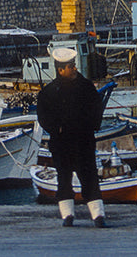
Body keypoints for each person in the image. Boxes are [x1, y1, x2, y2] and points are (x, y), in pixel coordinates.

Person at [35, 47, 106, 227]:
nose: (75, 68)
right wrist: (55, 129)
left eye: (73, 65)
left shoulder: (86, 87)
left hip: (84, 141)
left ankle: (98, 216)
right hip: (62, 143)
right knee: (64, 178)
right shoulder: (49, 92)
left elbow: (97, 109)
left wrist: (91, 126)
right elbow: (43, 116)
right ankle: (67, 215)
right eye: (70, 66)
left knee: (89, 177)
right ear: (60, 70)